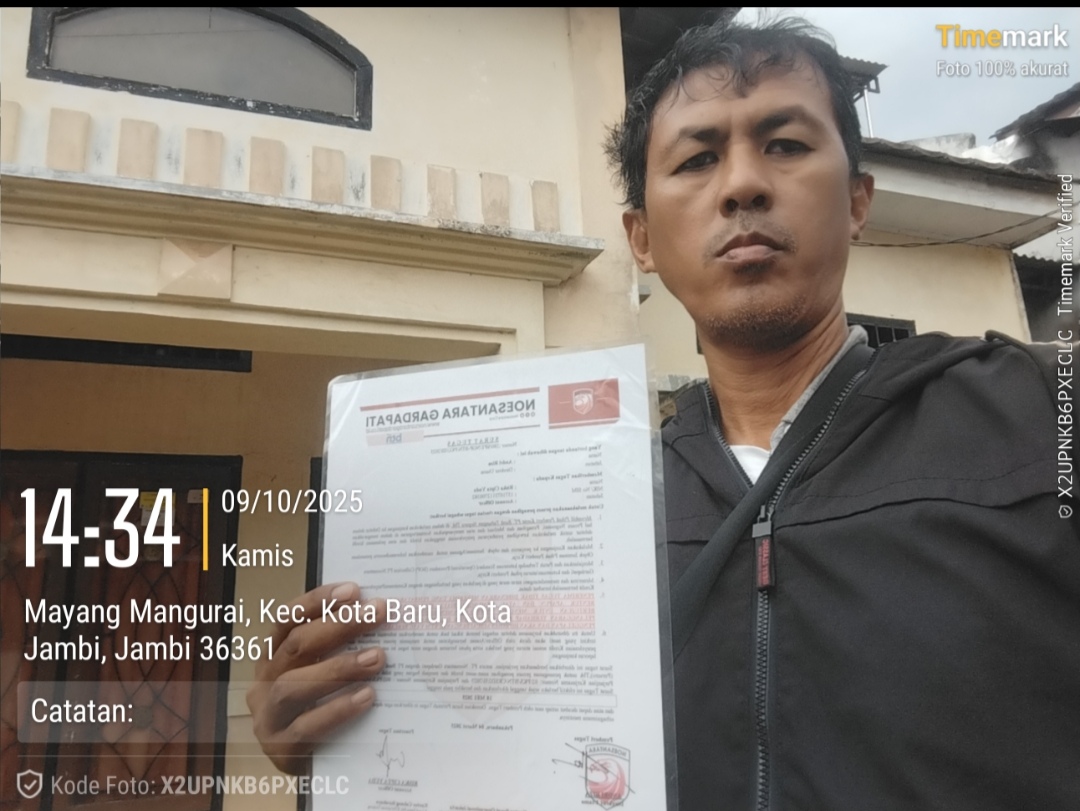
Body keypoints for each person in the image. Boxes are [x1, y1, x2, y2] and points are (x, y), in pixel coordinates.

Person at [248, 17, 1080, 809]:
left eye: (786, 145)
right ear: (640, 238)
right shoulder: (584, 507)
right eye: (697, 159)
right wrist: (346, 741)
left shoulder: (1042, 411)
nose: (743, 184)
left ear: (858, 200)